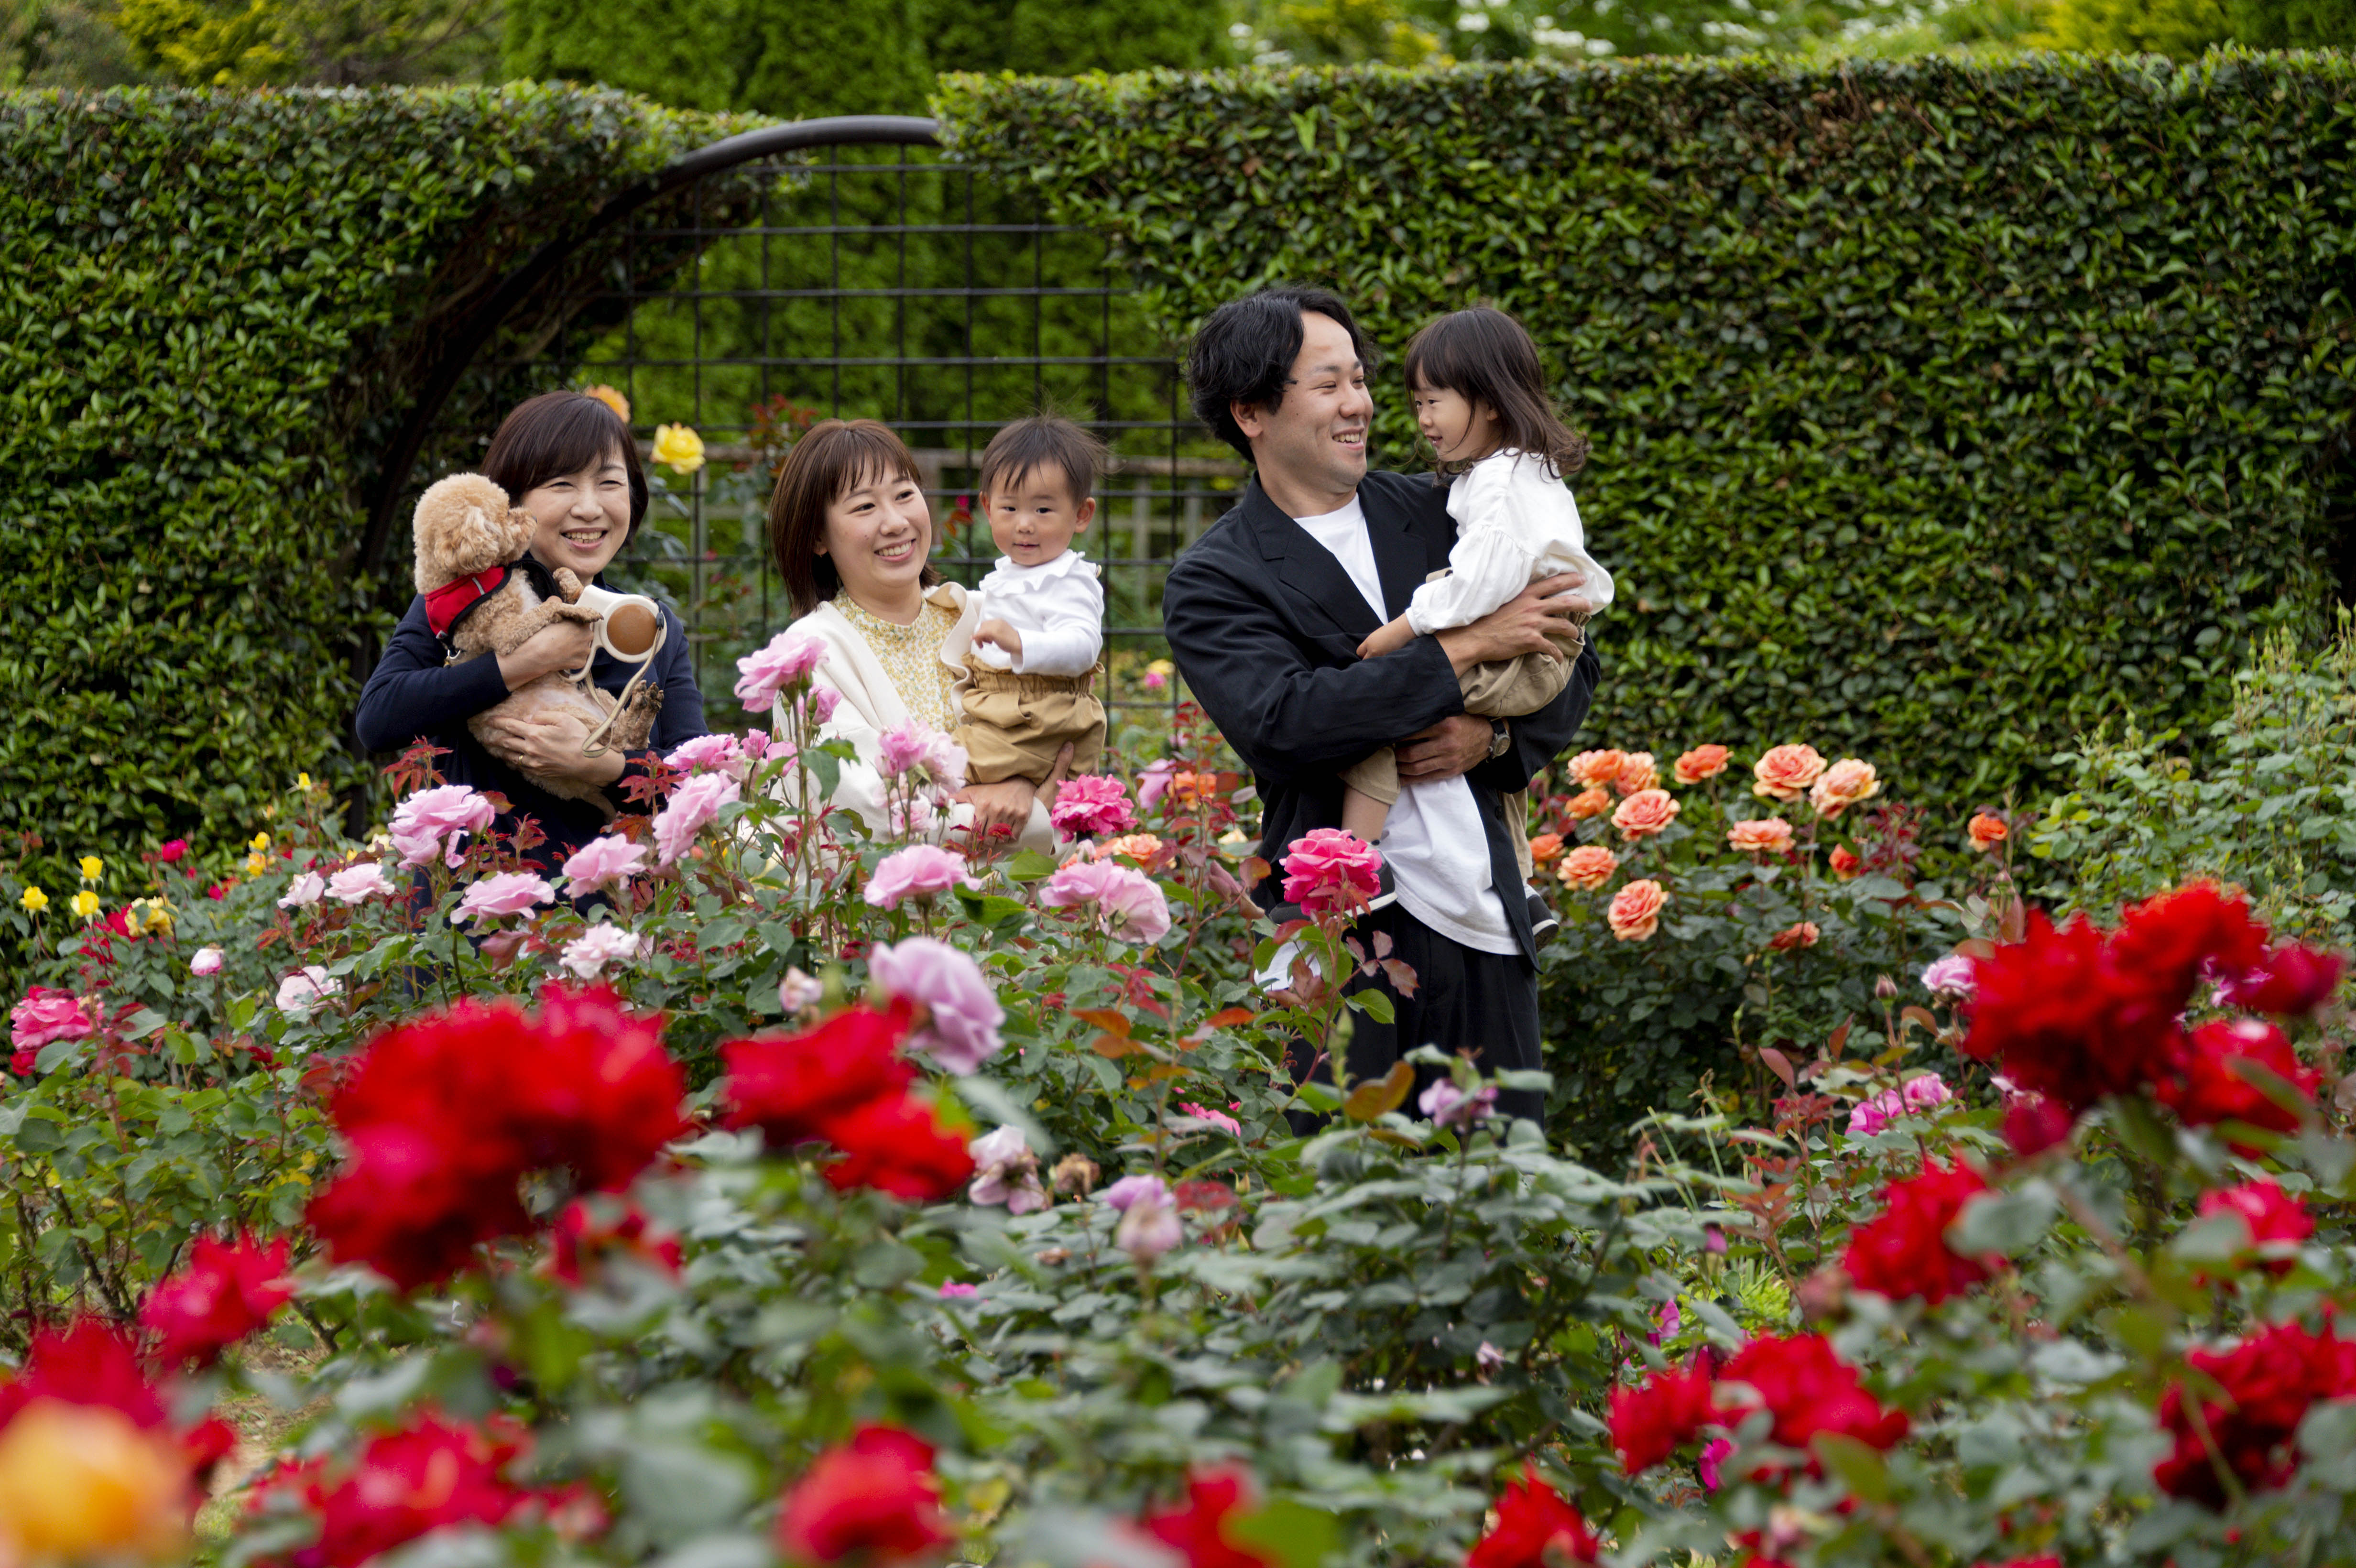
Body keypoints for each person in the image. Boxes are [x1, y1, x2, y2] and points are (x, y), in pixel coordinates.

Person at [1160, 286, 1599, 1125]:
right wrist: (1463, 648)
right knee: (1342, 1184)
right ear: (1251, 412)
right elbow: (1287, 723)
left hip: (1486, 921)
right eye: (1328, 384)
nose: (1359, 404)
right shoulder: (1215, 579)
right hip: (1338, 943)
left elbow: (1571, 661)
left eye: (1360, 380)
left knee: (1501, 1185)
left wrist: (1490, 736)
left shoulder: (1448, 512)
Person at [1339, 306, 1615, 934]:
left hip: (1527, 649)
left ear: (1490, 401)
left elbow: (1481, 582)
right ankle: (1520, 885)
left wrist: (1404, 627)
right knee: (1492, 770)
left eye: (1434, 402)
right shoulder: (1525, 471)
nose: (1423, 419)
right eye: (1417, 404)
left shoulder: (1499, 484)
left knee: (1379, 707)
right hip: (1548, 648)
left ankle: (1354, 861)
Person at [356, 389, 708, 870]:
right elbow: (378, 719)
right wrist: (524, 662)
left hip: (618, 905)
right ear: (513, 500)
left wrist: (599, 766)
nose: (589, 508)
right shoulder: (464, 599)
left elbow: (695, 786)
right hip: (477, 902)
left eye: (610, 482)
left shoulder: (652, 626)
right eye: (562, 484)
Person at [765, 418, 1066, 851]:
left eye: (905, 495)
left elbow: (1070, 744)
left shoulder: (987, 617)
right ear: (817, 537)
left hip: (1029, 892)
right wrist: (1032, 816)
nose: (895, 522)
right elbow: (872, 819)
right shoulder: (807, 657)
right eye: (864, 507)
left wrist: (1020, 786)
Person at [958, 415, 1110, 788]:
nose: (1024, 524)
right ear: (988, 508)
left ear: (1081, 515)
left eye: (1042, 510)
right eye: (1010, 509)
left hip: (1043, 716)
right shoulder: (1014, 572)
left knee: (948, 765)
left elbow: (1084, 645)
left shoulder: (1069, 578)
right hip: (1008, 710)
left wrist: (1020, 642)